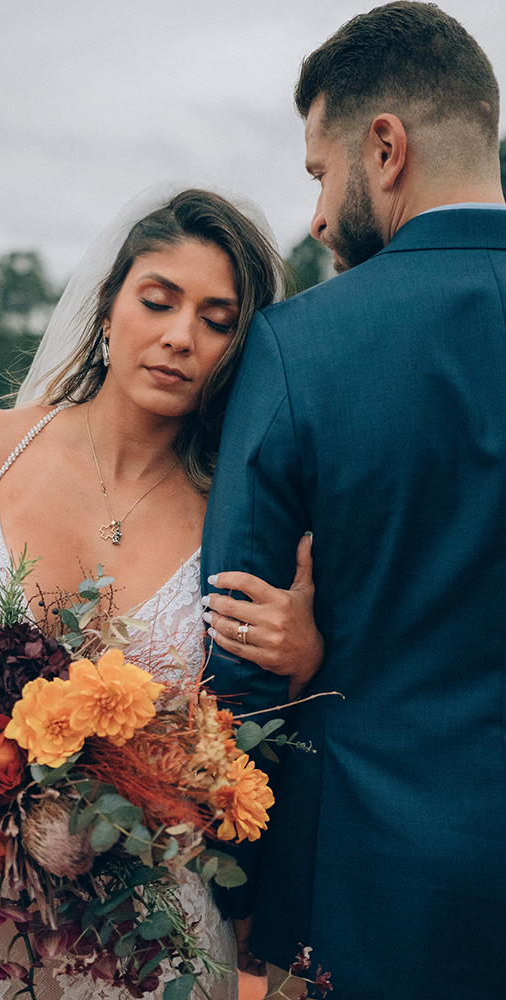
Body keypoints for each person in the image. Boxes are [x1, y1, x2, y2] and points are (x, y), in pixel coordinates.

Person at [0, 186, 322, 1000]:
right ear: (108, 309)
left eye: (216, 321)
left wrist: (306, 654)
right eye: (158, 300)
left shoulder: (242, 520)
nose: (179, 336)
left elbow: (262, 729)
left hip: (150, 940)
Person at [201, 4, 506, 998]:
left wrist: (237, 898)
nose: (321, 217)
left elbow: (239, 663)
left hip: (374, 896)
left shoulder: (298, 348)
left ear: (385, 148)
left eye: (318, 175)